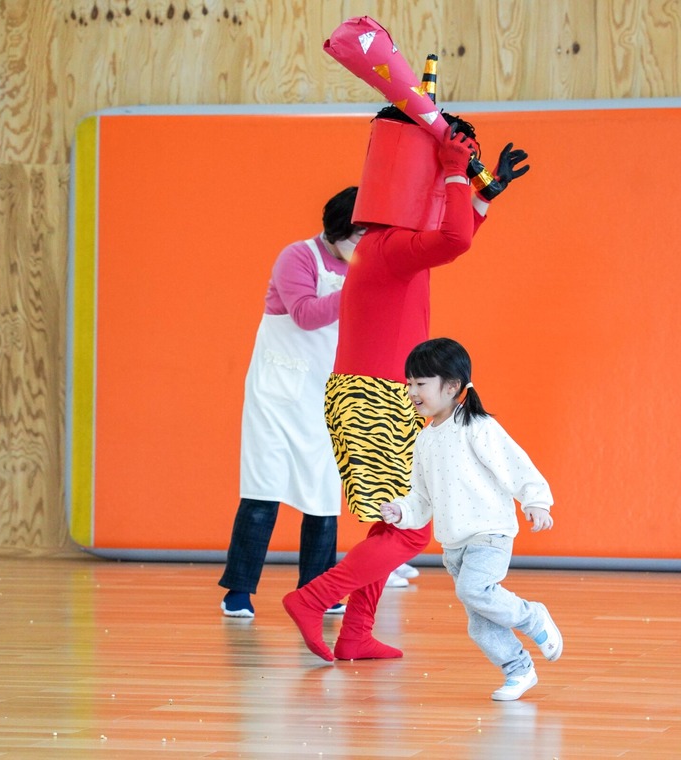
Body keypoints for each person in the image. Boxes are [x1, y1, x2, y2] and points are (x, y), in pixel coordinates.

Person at [282, 104, 530, 661]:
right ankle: (314, 599)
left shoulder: (389, 246)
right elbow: (454, 239)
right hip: (373, 397)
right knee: (412, 530)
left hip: (382, 395)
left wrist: (480, 193)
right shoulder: (389, 247)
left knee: (393, 522)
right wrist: (456, 171)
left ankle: (356, 634)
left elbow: (451, 234)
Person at [379, 338, 562, 701]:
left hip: (489, 535)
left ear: (450, 386)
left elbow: (516, 465)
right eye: (409, 383)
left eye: (420, 383)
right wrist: (402, 511)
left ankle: (532, 617)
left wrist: (536, 501)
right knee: (479, 626)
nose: (412, 391)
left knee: (474, 590)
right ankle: (519, 670)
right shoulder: (425, 441)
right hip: (455, 546)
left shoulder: (476, 426)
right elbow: (421, 498)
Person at [219, 187, 359, 618]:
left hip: (325, 392)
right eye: (359, 237)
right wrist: (362, 289)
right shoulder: (297, 257)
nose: (364, 246)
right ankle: (238, 591)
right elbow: (304, 314)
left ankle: (317, 589)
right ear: (337, 231)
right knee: (263, 489)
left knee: (322, 493)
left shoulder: (366, 263)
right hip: (277, 395)